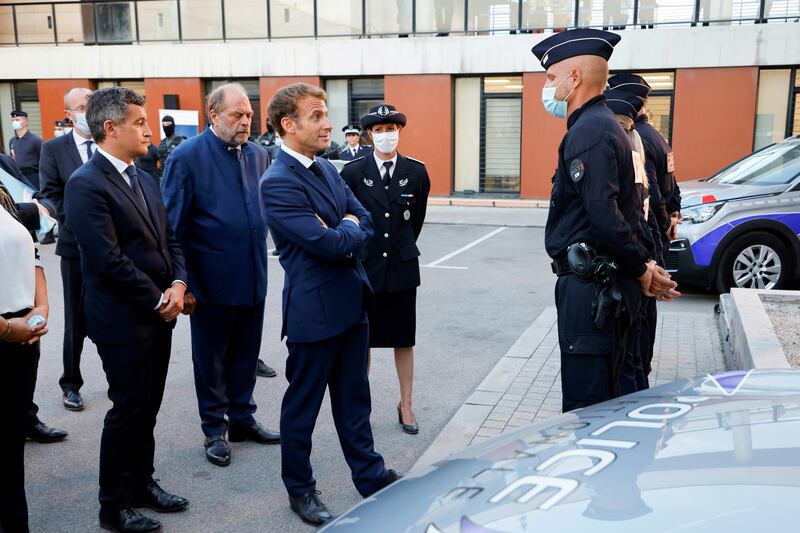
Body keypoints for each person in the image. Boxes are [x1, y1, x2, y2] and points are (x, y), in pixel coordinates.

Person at [260, 83, 401, 527]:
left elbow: (366, 221)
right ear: (289, 124)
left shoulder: (326, 169)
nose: (327, 124)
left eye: (325, 115)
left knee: (354, 399)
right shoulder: (278, 181)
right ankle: (300, 490)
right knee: (302, 407)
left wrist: (345, 226)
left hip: (352, 303)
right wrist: (346, 227)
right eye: (317, 115)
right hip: (314, 313)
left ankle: (370, 475)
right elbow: (326, 244)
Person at [531, 28, 679, 412]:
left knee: (587, 406)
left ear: (574, 77)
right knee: (612, 396)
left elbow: (604, 217)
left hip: (593, 288)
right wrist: (643, 265)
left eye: (551, 78)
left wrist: (642, 270)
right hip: (607, 283)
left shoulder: (590, 131)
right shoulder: (608, 126)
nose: (548, 88)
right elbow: (625, 212)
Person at [64, 87, 190, 533]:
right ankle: (113, 505)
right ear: (110, 127)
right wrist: (158, 299)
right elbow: (106, 259)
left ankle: (141, 483)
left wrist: (177, 283)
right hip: (123, 319)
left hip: (160, 312)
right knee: (129, 408)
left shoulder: (145, 177)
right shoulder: (86, 183)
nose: (148, 129)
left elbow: (169, 239)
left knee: (148, 405)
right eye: (139, 122)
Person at [162, 82, 280, 468]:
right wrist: (185, 282)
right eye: (237, 114)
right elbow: (174, 227)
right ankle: (214, 428)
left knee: (247, 354)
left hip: (252, 276)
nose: (245, 121)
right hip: (209, 282)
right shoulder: (187, 157)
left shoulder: (259, 155)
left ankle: (242, 418)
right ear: (213, 115)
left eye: (248, 114)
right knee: (211, 359)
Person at [340, 104, 430, 435]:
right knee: (361, 341)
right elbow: (347, 216)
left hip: (402, 269)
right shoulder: (352, 172)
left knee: (403, 340)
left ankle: (405, 405)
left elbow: (414, 220)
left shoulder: (417, 171)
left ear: (399, 131)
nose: (385, 135)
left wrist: (398, 248)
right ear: (369, 135)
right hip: (366, 268)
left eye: (391, 128)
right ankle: (359, 407)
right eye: (378, 130)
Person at [39, 87, 95, 412]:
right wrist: (79, 221)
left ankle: (120, 375)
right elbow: (50, 194)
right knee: (74, 318)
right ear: (68, 112)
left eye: (91, 104)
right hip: (74, 246)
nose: (88, 110)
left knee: (112, 313)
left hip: (111, 247)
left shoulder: (107, 141)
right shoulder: (54, 148)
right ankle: (70, 383)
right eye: (82, 107)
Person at [0, 182, 51, 533]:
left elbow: (31, 253)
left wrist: (42, 307)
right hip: (6, 330)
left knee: (10, 447)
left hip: (23, 336)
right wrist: (5, 329)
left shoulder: (2, 193)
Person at [608, 73, 682, 250]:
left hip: (651, 232)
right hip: (658, 231)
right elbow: (672, 183)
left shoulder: (636, 137)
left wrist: (665, 225)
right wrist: (674, 213)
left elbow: (650, 193)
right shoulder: (657, 136)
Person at [9, 110, 43, 190]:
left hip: (33, 177)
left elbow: (43, 162)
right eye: (13, 120)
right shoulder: (12, 141)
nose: (14, 122)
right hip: (18, 177)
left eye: (17, 120)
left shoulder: (35, 140)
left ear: (25, 122)